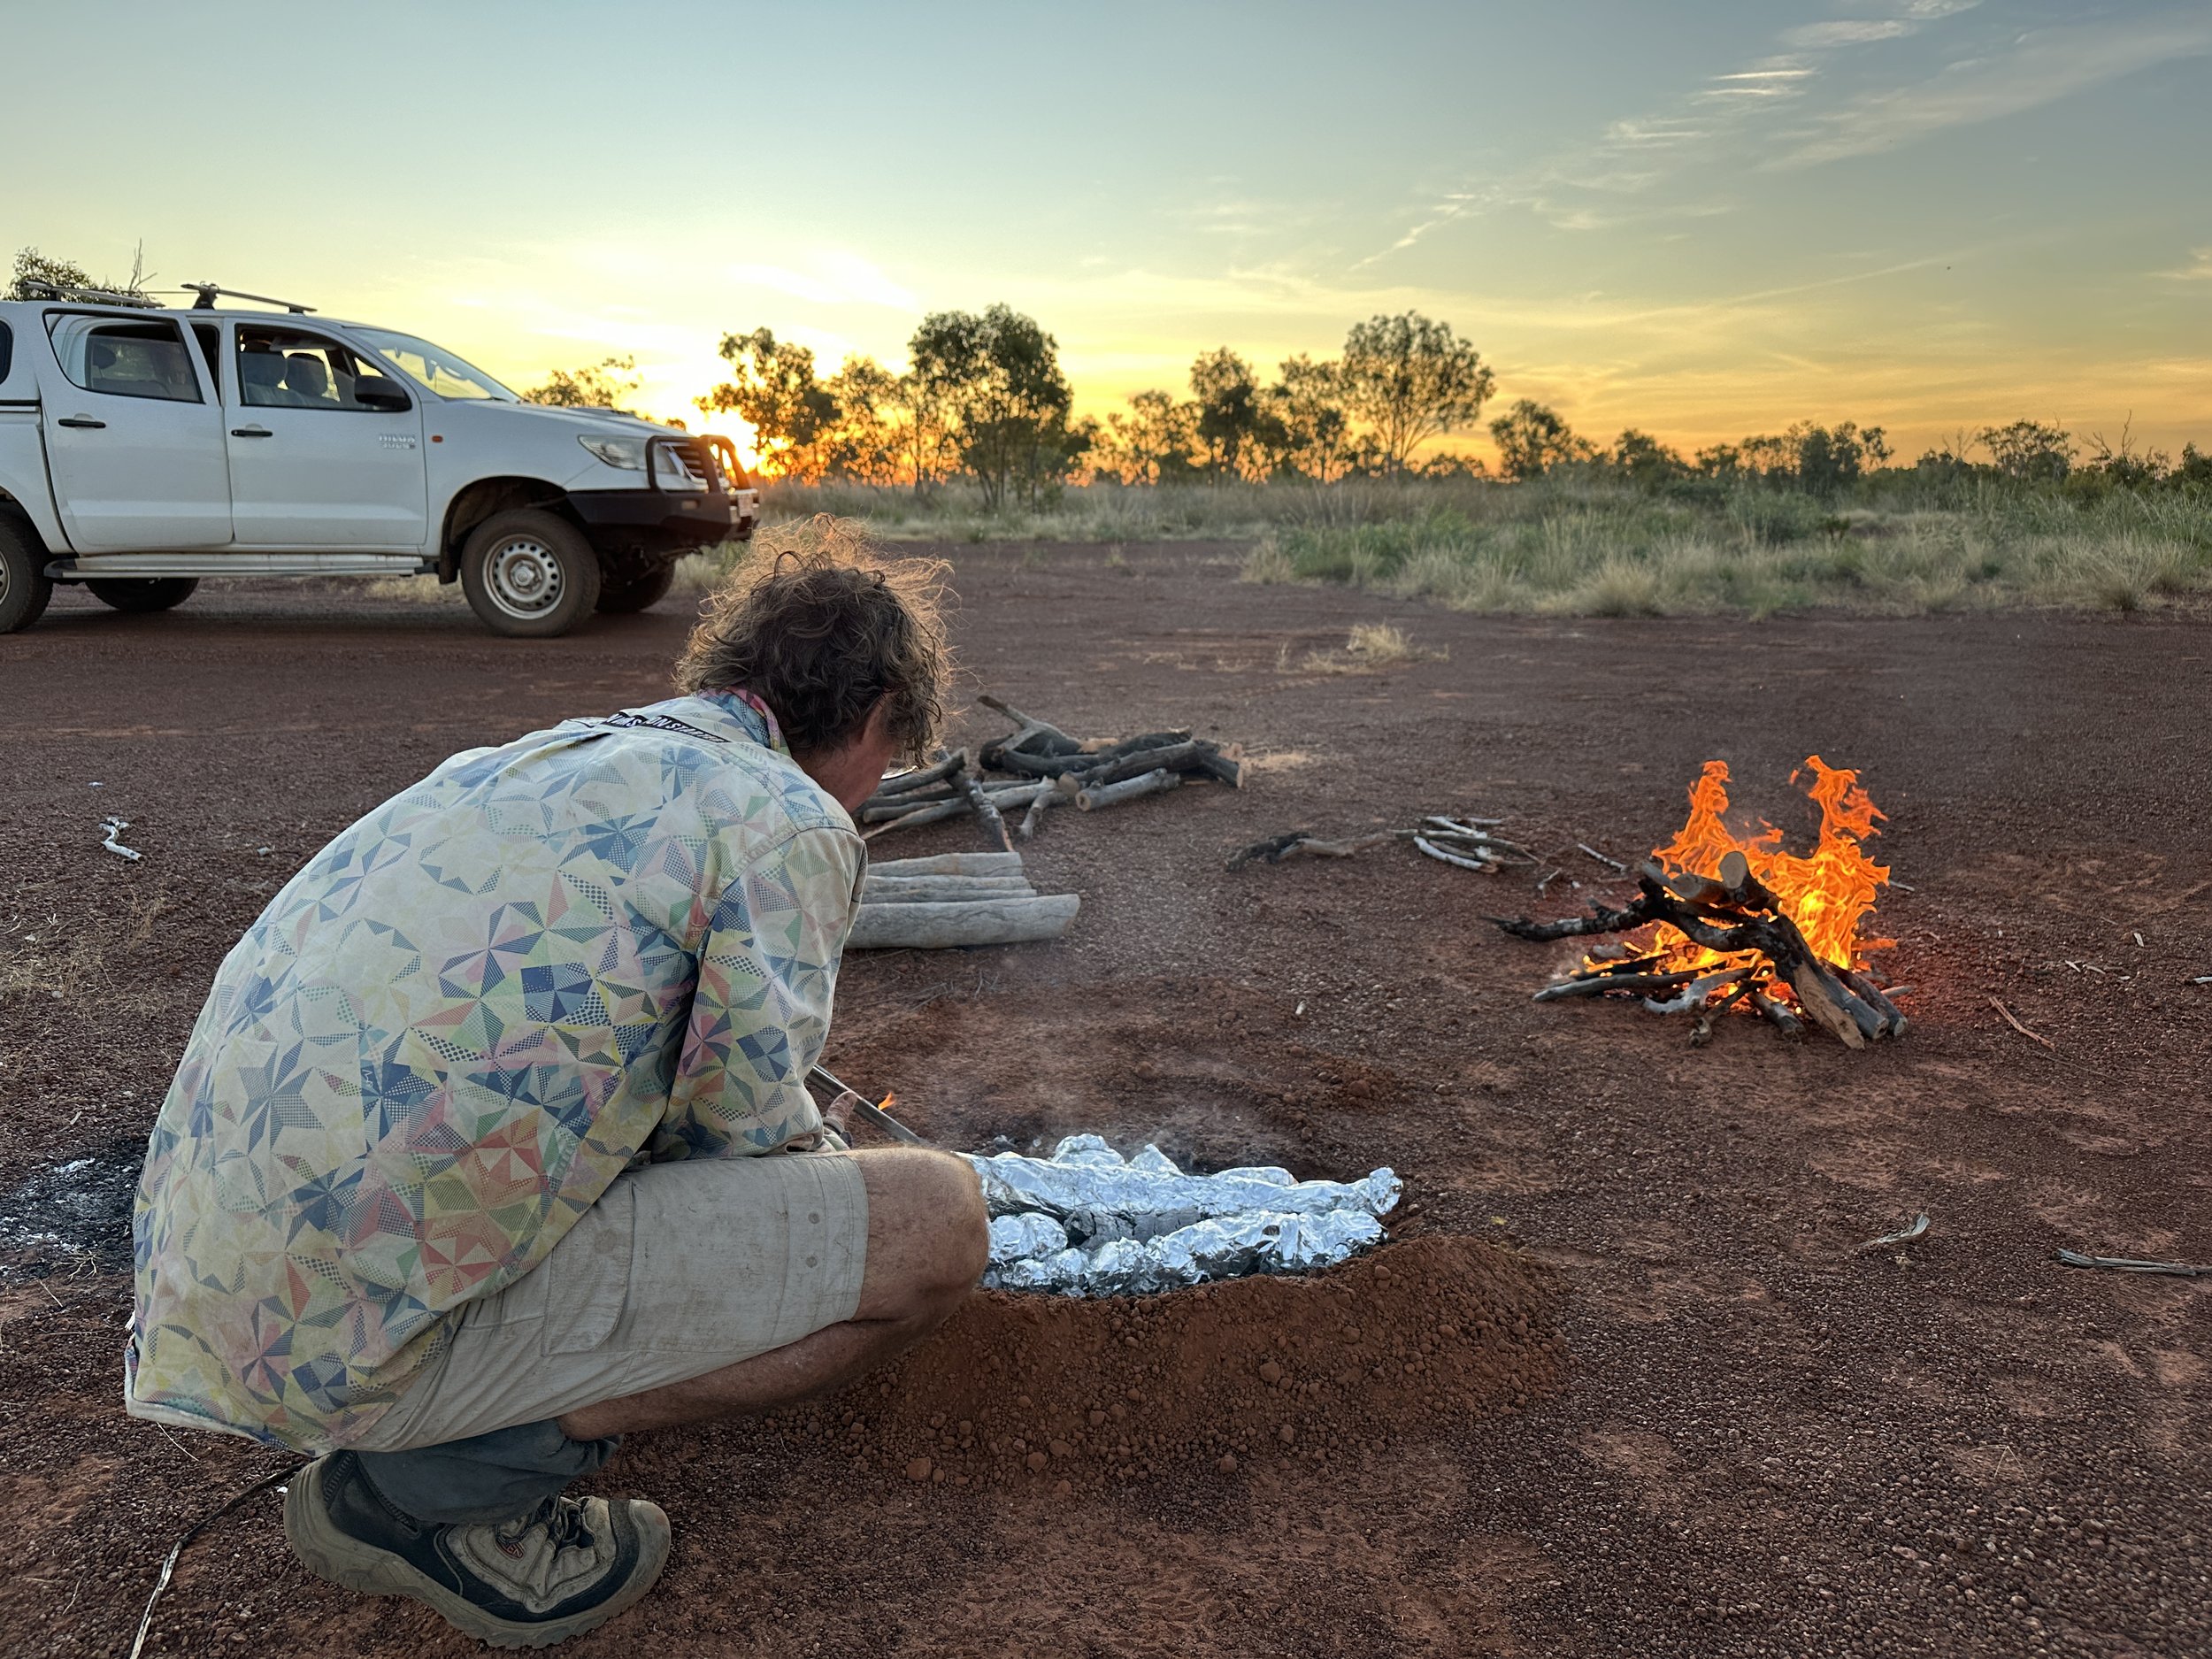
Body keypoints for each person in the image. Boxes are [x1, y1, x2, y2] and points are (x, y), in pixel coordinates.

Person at [127, 526, 988, 1646]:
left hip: (223, 1298)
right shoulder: (785, 819)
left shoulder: (534, 759)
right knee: (937, 1222)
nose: (876, 787)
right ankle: (439, 1493)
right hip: (352, 1348)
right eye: (891, 754)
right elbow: (740, 1132)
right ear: (876, 715)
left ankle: (425, 1431)